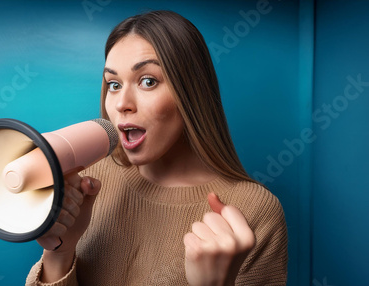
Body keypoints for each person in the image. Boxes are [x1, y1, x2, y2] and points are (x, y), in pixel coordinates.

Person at [26, 10, 287, 285]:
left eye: (148, 81)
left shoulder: (255, 210)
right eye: (113, 84)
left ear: (189, 93)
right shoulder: (89, 181)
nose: (121, 103)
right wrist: (59, 252)